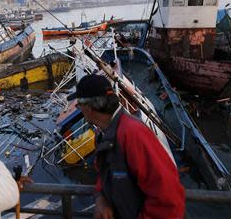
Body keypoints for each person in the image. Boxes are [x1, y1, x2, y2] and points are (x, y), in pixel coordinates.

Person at [75, 74, 185, 219]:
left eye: (78, 105)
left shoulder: (132, 134)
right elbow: (105, 175)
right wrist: (101, 198)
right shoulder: (103, 134)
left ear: (89, 108)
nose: (78, 109)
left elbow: (169, 200)